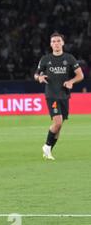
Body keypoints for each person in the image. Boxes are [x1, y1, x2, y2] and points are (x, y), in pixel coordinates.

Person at [34, 32, 84, 160]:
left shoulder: (70, 58)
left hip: (64, 95)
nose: (56, 43)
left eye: (58, 41)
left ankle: (49, 149)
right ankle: (46, 146)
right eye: (54, 41)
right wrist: (39, 77)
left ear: (63, 43)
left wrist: (71, 81)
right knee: (57, 122)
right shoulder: (45, 59)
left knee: (59, 126)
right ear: (51, 44)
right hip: (51, 94)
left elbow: (80, 75)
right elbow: (36, 75)